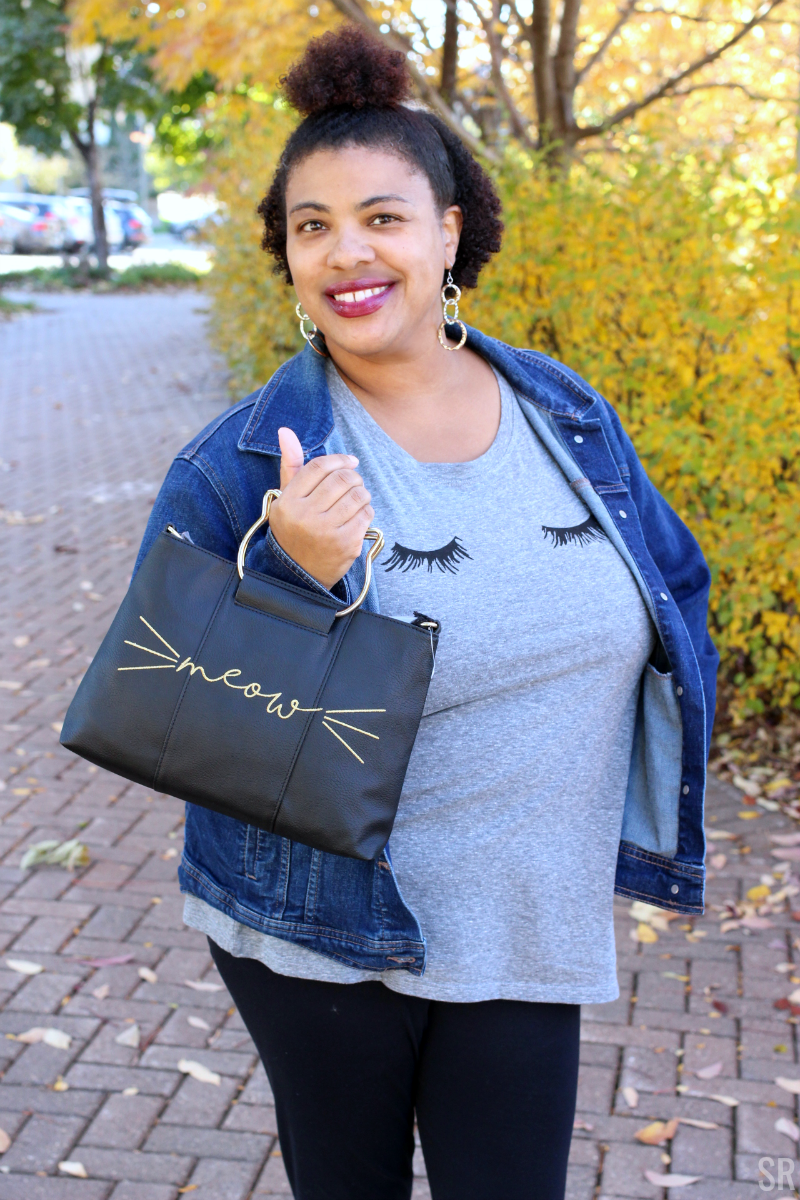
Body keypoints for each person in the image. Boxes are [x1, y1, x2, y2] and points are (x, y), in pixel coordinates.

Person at [135, 24, 719, 1200]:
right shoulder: (244, 465)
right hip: (320, 937)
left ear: (450, 231)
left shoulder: (567, 414)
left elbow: (672, 595)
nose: (346, 250)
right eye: (312, 226)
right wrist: (291, 576)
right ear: (287, 259)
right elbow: (169, 714)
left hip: (525, 925)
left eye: (383, 216)